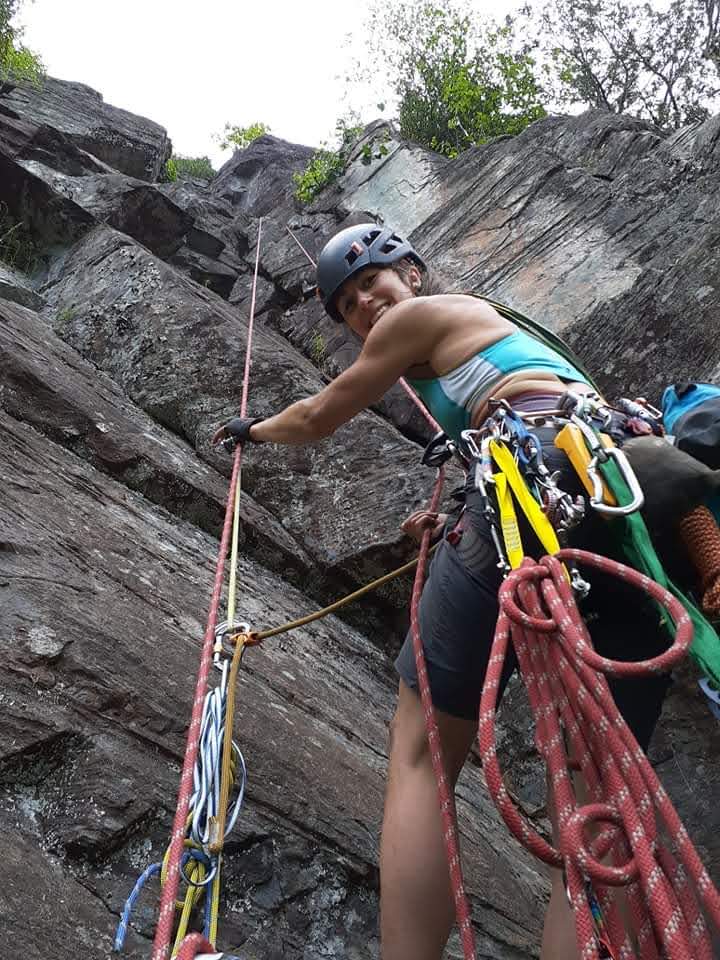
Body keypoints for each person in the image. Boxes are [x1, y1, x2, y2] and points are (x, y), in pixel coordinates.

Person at [213, 223, 671, 960]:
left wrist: (253, 432)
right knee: (600, 793)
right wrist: (455, 511)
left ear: (415, 276)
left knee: (422, 751)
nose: (367, 304)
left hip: (534, 476)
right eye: (350, 303)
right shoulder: (501, 339)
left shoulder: (422, 318)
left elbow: (319, 415)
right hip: (618, 499)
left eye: (374, 282)